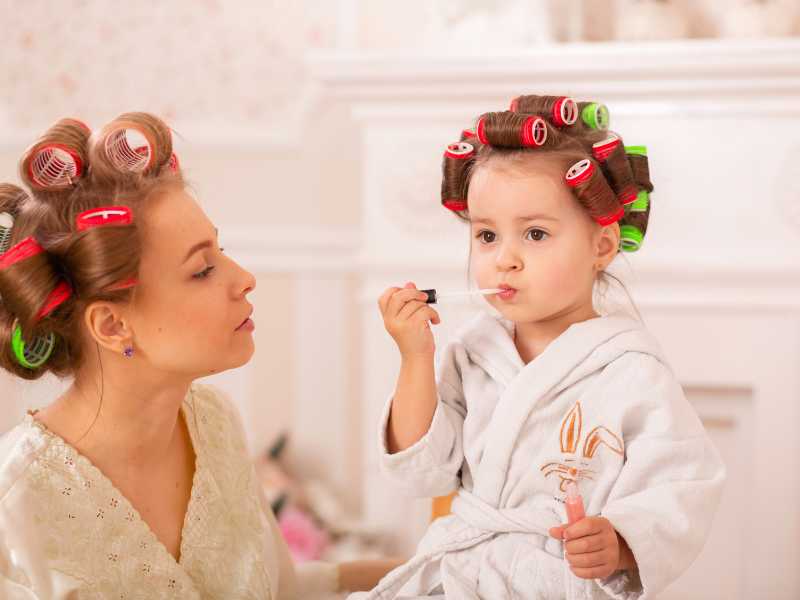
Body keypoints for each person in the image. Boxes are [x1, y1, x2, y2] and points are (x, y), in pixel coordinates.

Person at [0, 113, 398, 599]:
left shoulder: (213, 423)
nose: (244, 277)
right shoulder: (14, 505)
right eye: (203, 269)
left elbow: (282, 590)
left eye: (221, 250)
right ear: (112, 325)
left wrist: (446, 566)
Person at [361, 96, 726, 599]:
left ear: (602, 246)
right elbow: (423, 470)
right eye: (487, 235)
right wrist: (415, 357)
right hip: (461, 572)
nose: (504, 259)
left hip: (557, 580)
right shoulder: (473, 351)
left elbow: (685, 484)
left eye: (534, 234)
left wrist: (620, 541)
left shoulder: (631, 371)